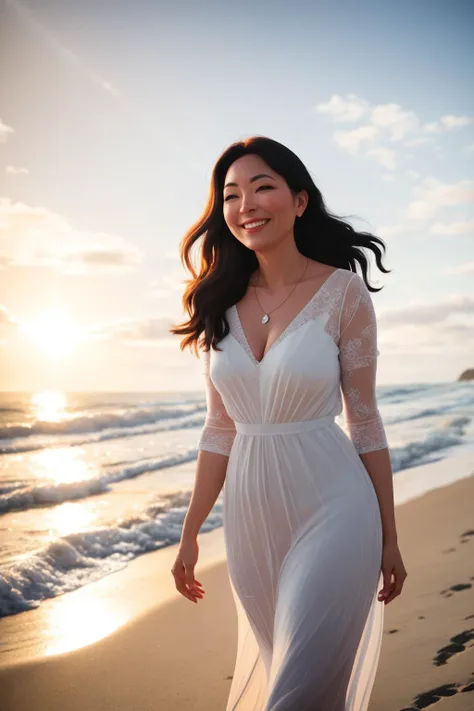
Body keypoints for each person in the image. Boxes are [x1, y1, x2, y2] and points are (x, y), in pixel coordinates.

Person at [170, 136, 407, 710]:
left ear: (299, 201)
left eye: (262, 187)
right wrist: (190, 531)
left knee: (294, 696)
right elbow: (219, 429)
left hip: (337, 508)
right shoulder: (213, 302)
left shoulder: (344, 293)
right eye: (230, 194)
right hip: (251, 520)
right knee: (292, 676)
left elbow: (365, 419)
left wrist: (390, 535)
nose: (245, 204)